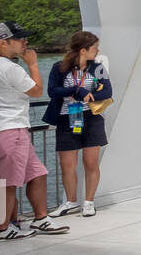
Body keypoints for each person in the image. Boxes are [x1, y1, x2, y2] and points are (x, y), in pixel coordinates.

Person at [0, 21, 69, 237]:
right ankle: (2, 229)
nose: (25, 42)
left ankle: (41, 219)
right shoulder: (10, 68)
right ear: (3, 42)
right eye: (20, 39)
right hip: (11, 130)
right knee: (8, 182)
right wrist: (33, 64)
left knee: (37, 174)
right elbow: (37, 91)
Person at [46, 30, 112, 217]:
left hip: (91, 117)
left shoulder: (98, 67)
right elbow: (52, 91)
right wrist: (77, 90)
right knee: (67, 164)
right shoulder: (59, 67)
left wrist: (90, 95)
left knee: (90, 162)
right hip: (68, 117)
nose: (97, 51)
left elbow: (107, 92)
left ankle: (89, 202)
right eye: (94, 48)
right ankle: (70, 201)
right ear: (83, 50)